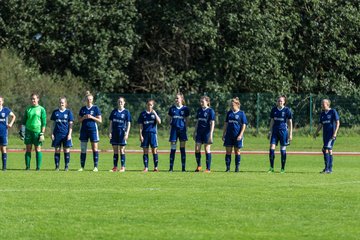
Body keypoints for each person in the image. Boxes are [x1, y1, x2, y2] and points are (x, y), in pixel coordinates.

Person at [20, 93, 47, 171]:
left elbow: (44, 122)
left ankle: (38, 167)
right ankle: (27, 167)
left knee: (38, 149)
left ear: (38, 99)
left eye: (34, 99)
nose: (33, 100)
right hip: (28, 131)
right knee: (28, 149)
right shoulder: (28, 109)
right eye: (32, 99)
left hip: (37, 132)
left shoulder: (41, 109)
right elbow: (24, 121)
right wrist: (22, 131)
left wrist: (42, 133)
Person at [313, 99, 340, 174]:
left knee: (325, 149)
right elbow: (320, 124)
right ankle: (330, 169)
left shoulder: (333, 111)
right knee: (329, 150)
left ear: (327, 104)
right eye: (321, 104)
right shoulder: (322, 113)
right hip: (325, 135)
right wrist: (316, 133)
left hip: (331, 134)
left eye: (323, 104)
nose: (321, 105)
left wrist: (335, 133)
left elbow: (338, 122)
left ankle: (327, 169)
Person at [268, 95, 293, 173]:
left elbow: (290, 122)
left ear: (284, 102)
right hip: (275, 131)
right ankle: (271, 168)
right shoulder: (274, 110)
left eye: (281, 101)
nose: (279, 102)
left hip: (283, 132)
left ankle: (282, 168)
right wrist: (270, 131)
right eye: (278, 101)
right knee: (272, 148)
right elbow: (272, 121)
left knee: (283, 149)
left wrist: (290, 133)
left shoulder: (287, 110)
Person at [78, 91, 102, 172]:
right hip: (84, 130)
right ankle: (82, 167)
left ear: (92, 100)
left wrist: (92, 117)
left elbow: (100, 120)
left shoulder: (95, 108)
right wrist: (84, 117)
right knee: (83, 148)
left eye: (90, 99)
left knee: (94, 148)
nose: (89, 101)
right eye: (88, 99)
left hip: (93, 130)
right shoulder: (83, 109)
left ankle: (95, 166)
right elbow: (79, 120)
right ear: (86, 100)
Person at [222, 97, 247, 172]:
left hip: (237, 136)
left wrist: (240, 135)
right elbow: (226, 124)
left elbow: (244, 125)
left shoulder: (241, 113)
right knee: (228, 151)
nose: (232, 106)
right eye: (231, 105)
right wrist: (224, 134)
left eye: (233, 105)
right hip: (229, 135)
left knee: (237, 151)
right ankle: (228, 168)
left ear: (237, 104)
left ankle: (237, 168)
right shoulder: (229, 113)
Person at [50, 97, 74, 171]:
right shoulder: (55, 112)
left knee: (66, 150)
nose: (61, 104)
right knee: (57, 150)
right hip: (57, 134)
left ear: (66, 103)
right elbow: (52, 124)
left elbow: (71, 124)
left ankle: (66, 166)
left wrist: (69, 134)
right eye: (60, 102)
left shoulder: (68, 112)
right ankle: (57, 167)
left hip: (66, 134)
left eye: (63, 102)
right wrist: (52, 133)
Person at [109, 97, 131, 172]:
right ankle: (115, 167)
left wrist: (127, 133)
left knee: (122, 150)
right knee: (115, 150)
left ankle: (122, 167)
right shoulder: (114, 112)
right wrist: (110, 132)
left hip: (122, 132)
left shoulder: (126, 112)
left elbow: (128, 123)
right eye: (119, 102)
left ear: (124, 103)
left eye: (121, 102)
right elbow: (111, 123)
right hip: (115, 132)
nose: (120, 103)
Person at [168, 93, 190, 172]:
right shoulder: (172, 109)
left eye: (177, 98)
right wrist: (170, 127)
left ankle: (183, 168)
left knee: (182, 149)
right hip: (174, 130)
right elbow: (169, 118)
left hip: (182, 130)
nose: (176, 100)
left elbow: (187, 120)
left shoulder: (185, 109)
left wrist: (185, 128)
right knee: (173, 148)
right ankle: (171, 168)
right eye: (175, 98)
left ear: (181, 99)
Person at [138, 99, 161, 172]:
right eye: (148, 104)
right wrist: (140, 135)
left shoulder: (154, 113)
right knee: (145, 151)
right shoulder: (143, 114)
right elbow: (141, 126)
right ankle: (146, 167)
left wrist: (155, 114)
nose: (149, 106)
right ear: (146, 105)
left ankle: (156, 167)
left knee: (154, 150)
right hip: (145, 134)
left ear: (153, 105)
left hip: (153, 134)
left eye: (151, 105)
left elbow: (159, 122)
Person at [193, 96, 215, 172]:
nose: (201, 103)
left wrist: (211, 134)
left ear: (207, 102)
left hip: (207, 133)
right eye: (200, 101)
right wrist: (194, 131)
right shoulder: (199, 110)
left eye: (202, 101)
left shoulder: (210, 111)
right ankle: (199, 166)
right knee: (197, 149)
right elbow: (197, 122)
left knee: (207, 149)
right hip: (199, 132)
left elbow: (212, 123)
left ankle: (208, 168)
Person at [0, 96, 16, 171]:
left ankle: (4, 167)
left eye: (0, 101)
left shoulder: (5, 110)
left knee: (3, 149)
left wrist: (10, 124)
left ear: (2, 102)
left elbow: (13, 116)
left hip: (3, 132)